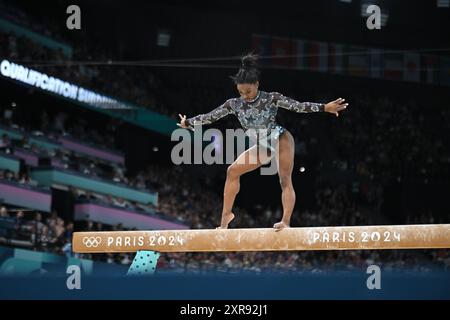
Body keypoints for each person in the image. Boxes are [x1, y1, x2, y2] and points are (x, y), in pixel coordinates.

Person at [177, 54, 348, 230]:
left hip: (280, 138)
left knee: (284, 179)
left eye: (248, 92)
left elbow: (298, 106)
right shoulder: (233, 104)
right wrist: (188, 122)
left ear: (257, 84)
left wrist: (323, 107)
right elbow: (210, 117)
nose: (245, 96)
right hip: (262, 146)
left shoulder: (271, 98)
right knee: (232, 171)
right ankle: (226, 217)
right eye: (241, 92)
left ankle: (286, 221)